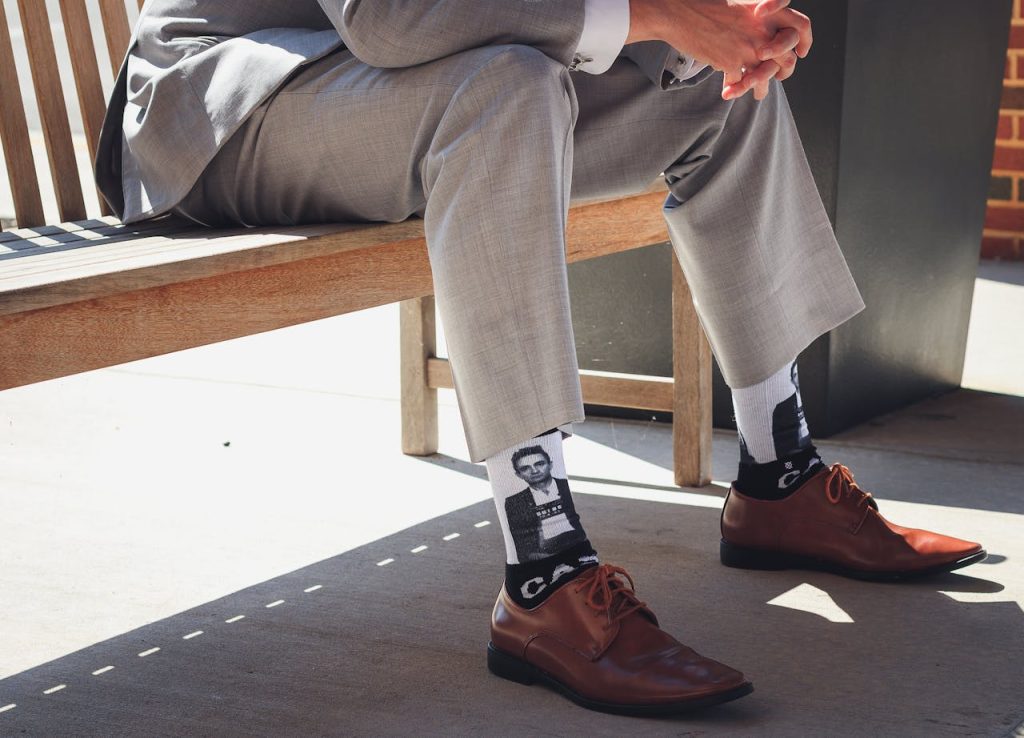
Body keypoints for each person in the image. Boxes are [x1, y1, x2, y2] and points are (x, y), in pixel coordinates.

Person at [94, 0, 986, 716]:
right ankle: (544, 570)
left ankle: (778, 476)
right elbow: (389, 18)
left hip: (394, 90)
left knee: (713, 87)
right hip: (231, 108)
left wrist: (722, 22)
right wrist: (658, 12)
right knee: (506, 86)